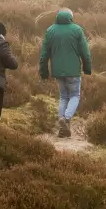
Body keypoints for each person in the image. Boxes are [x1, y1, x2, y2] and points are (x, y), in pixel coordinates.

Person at [39, 8, 92, 138]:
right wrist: (87, 68)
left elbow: (44, 54)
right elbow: (85, 52)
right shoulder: (77, 30)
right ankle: (66, 118)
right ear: (71, 17)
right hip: (73, 71)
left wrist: (44, 71)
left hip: (57, 71)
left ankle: (63, 129)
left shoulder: (50, 30)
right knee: (75, 95)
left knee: (63, 97)